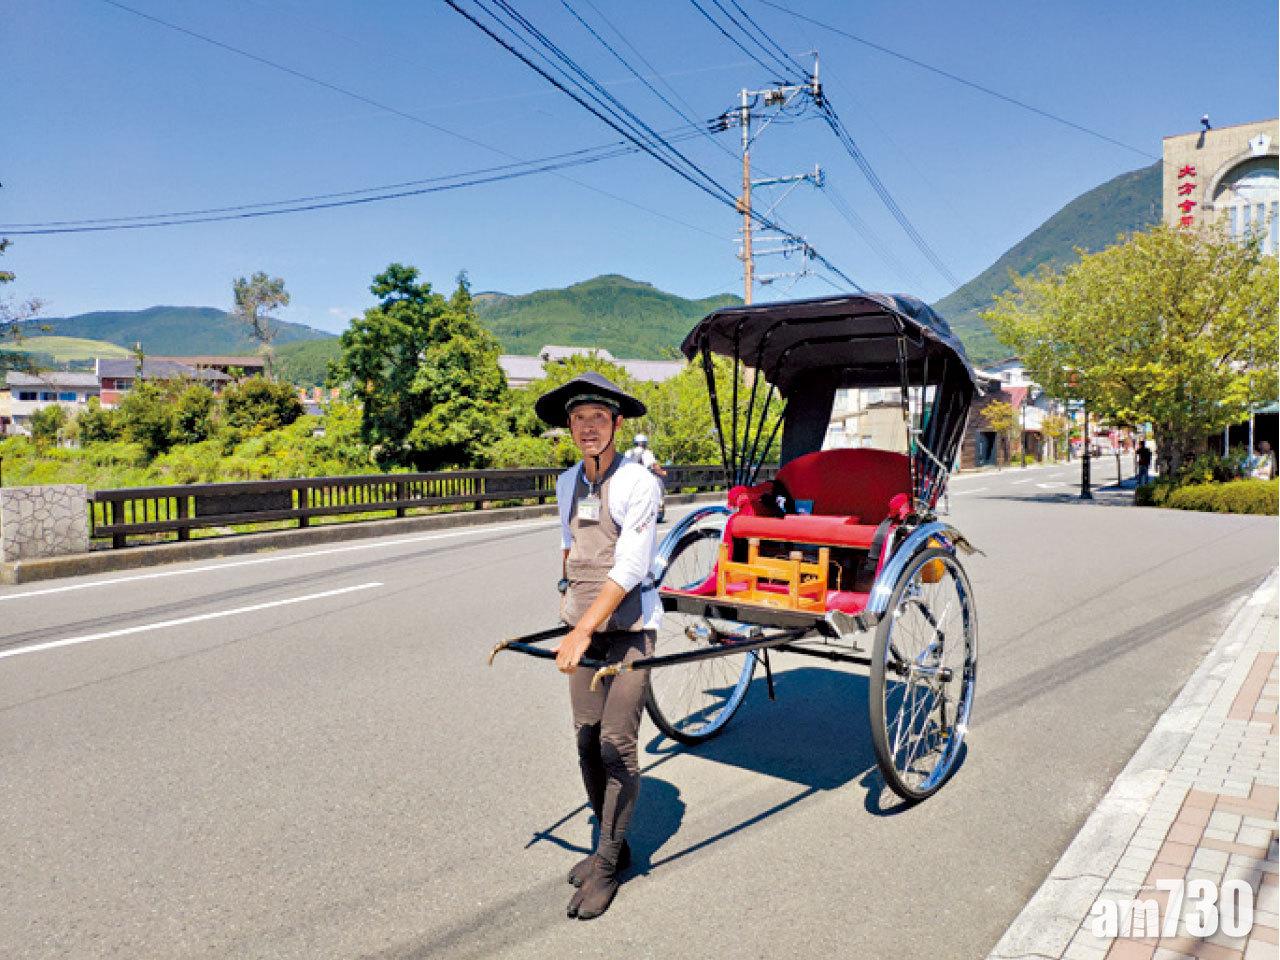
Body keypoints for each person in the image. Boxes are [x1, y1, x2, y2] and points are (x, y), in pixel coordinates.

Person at [534, 371, 663, 921]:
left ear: (617, 424)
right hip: (584, 626)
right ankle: (613, 844)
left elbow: (630, 566)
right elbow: (569, 548)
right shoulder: (567, 482)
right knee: (586, 740)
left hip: (629, 630)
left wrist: (583, 628)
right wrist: (569, 610)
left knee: (616, 744)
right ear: (569, 426)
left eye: (599, 417)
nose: (588, 427)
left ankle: (608, 863)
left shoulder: (639, 483)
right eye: (579, 418)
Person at [624, 433, 668, 521]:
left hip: (629, 479)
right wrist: (662, 472)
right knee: (659, 485)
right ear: (644, 443)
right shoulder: (646, 453)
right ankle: (659, 510)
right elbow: (654, 466)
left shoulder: (628, 452)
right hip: (643, 479)